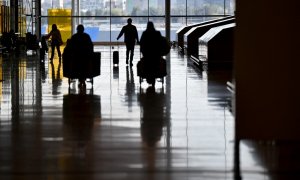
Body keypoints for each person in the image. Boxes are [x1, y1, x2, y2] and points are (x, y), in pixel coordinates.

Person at [139, 21, 163, 86]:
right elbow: (161, 42)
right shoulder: (157, 33)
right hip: (156, 54)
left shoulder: (144, 33)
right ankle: (159, 73)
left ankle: (145, 73)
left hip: (147, 54)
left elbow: (141, 42)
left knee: (143, 62)